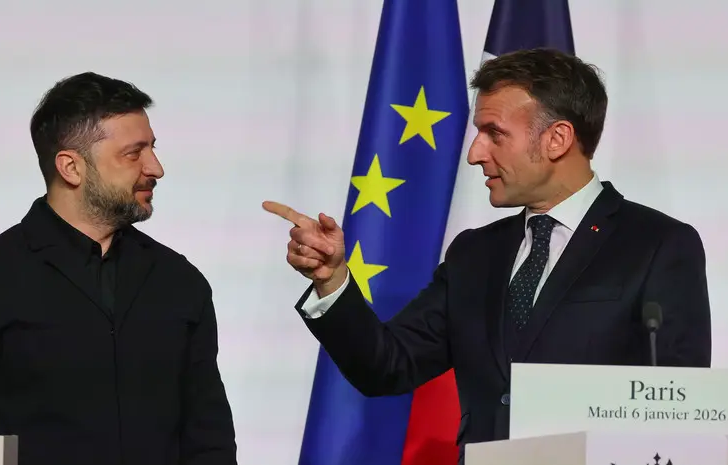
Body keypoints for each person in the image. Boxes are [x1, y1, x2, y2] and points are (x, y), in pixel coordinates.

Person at [263, 48, 711, 464]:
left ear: (557, 139)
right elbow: (386, 366)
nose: (475, 154)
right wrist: (332, 280)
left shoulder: (658, 245)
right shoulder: (474, 254)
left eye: (494, 133)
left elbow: (675, 412)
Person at [0, 72, 237, 465]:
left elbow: (210, 441)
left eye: (152, 148)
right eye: (133, 153)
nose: (156, 168)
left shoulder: (181, 282)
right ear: (71, 167)